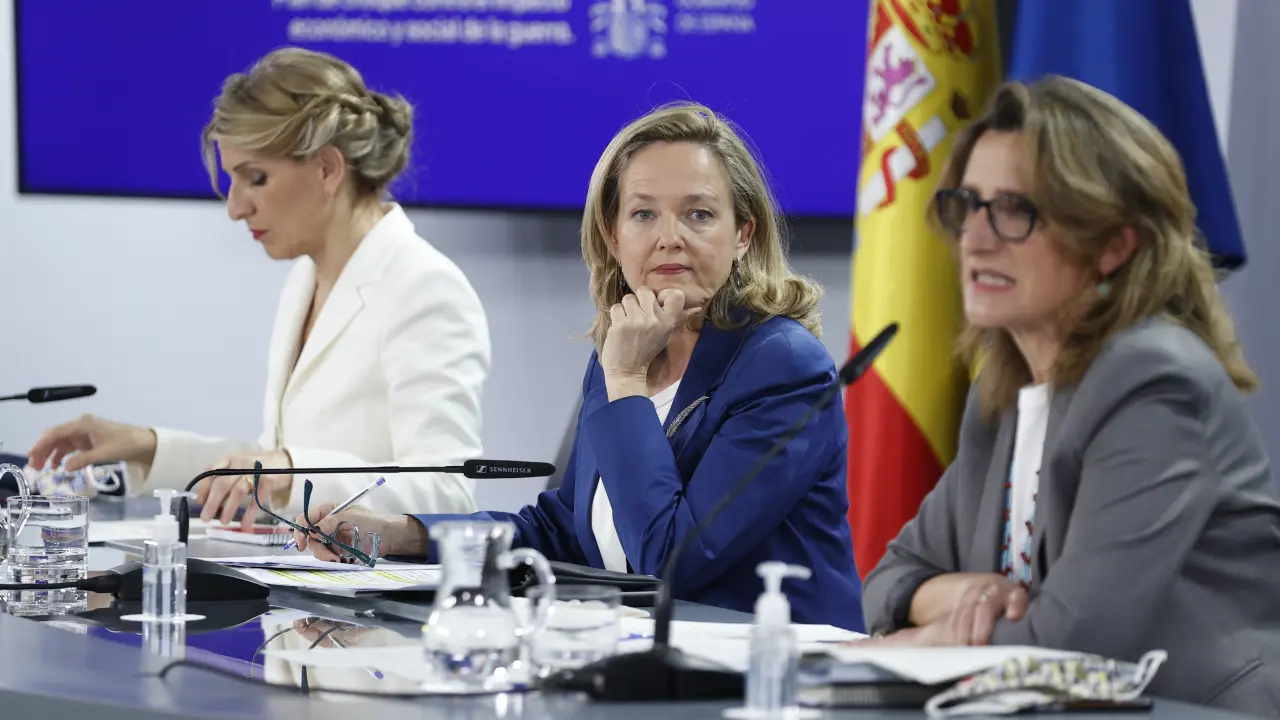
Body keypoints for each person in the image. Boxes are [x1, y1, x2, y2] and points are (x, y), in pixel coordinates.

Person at [291, 102, 865, 631]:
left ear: (743, 234)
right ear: (613, 236)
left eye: (698, 214)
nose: (670, 238)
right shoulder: (623, 349)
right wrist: (404, 534)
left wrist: (627, 382)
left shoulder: (781, 365)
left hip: (770, 673)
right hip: (642, 662)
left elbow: (672, 558)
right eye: (643, 214)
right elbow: (564, 531)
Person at [859, 76, 1280, 715]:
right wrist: (959, 596)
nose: (976, 239)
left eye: (1015, 210)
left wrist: (920, 642)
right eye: (968, 204)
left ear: (1113, 245)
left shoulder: (1153, 382)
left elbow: (1070, 643)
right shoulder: (1004, 391)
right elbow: (887, 580)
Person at [27, 48, 490, 526]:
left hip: (371, 576)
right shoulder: (305, 279)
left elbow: (447, 493)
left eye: (256, 178)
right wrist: (149, 446)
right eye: (233, 180)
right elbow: (273, 463)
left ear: (327, 169)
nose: (235, 208)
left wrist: (289, 471)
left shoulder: (424, 287)